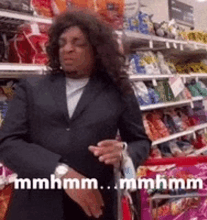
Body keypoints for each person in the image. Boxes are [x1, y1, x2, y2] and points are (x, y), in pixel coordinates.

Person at [0, 9, 151, 220]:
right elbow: (8, 143)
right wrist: (62, 173)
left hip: (94, 206)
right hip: (35, 206)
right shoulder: (32, 88)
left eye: (78, 43)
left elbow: (140, 141)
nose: (67, 49)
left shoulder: (119, 91)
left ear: (96, 49)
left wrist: (124, 154)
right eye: (62, 43)